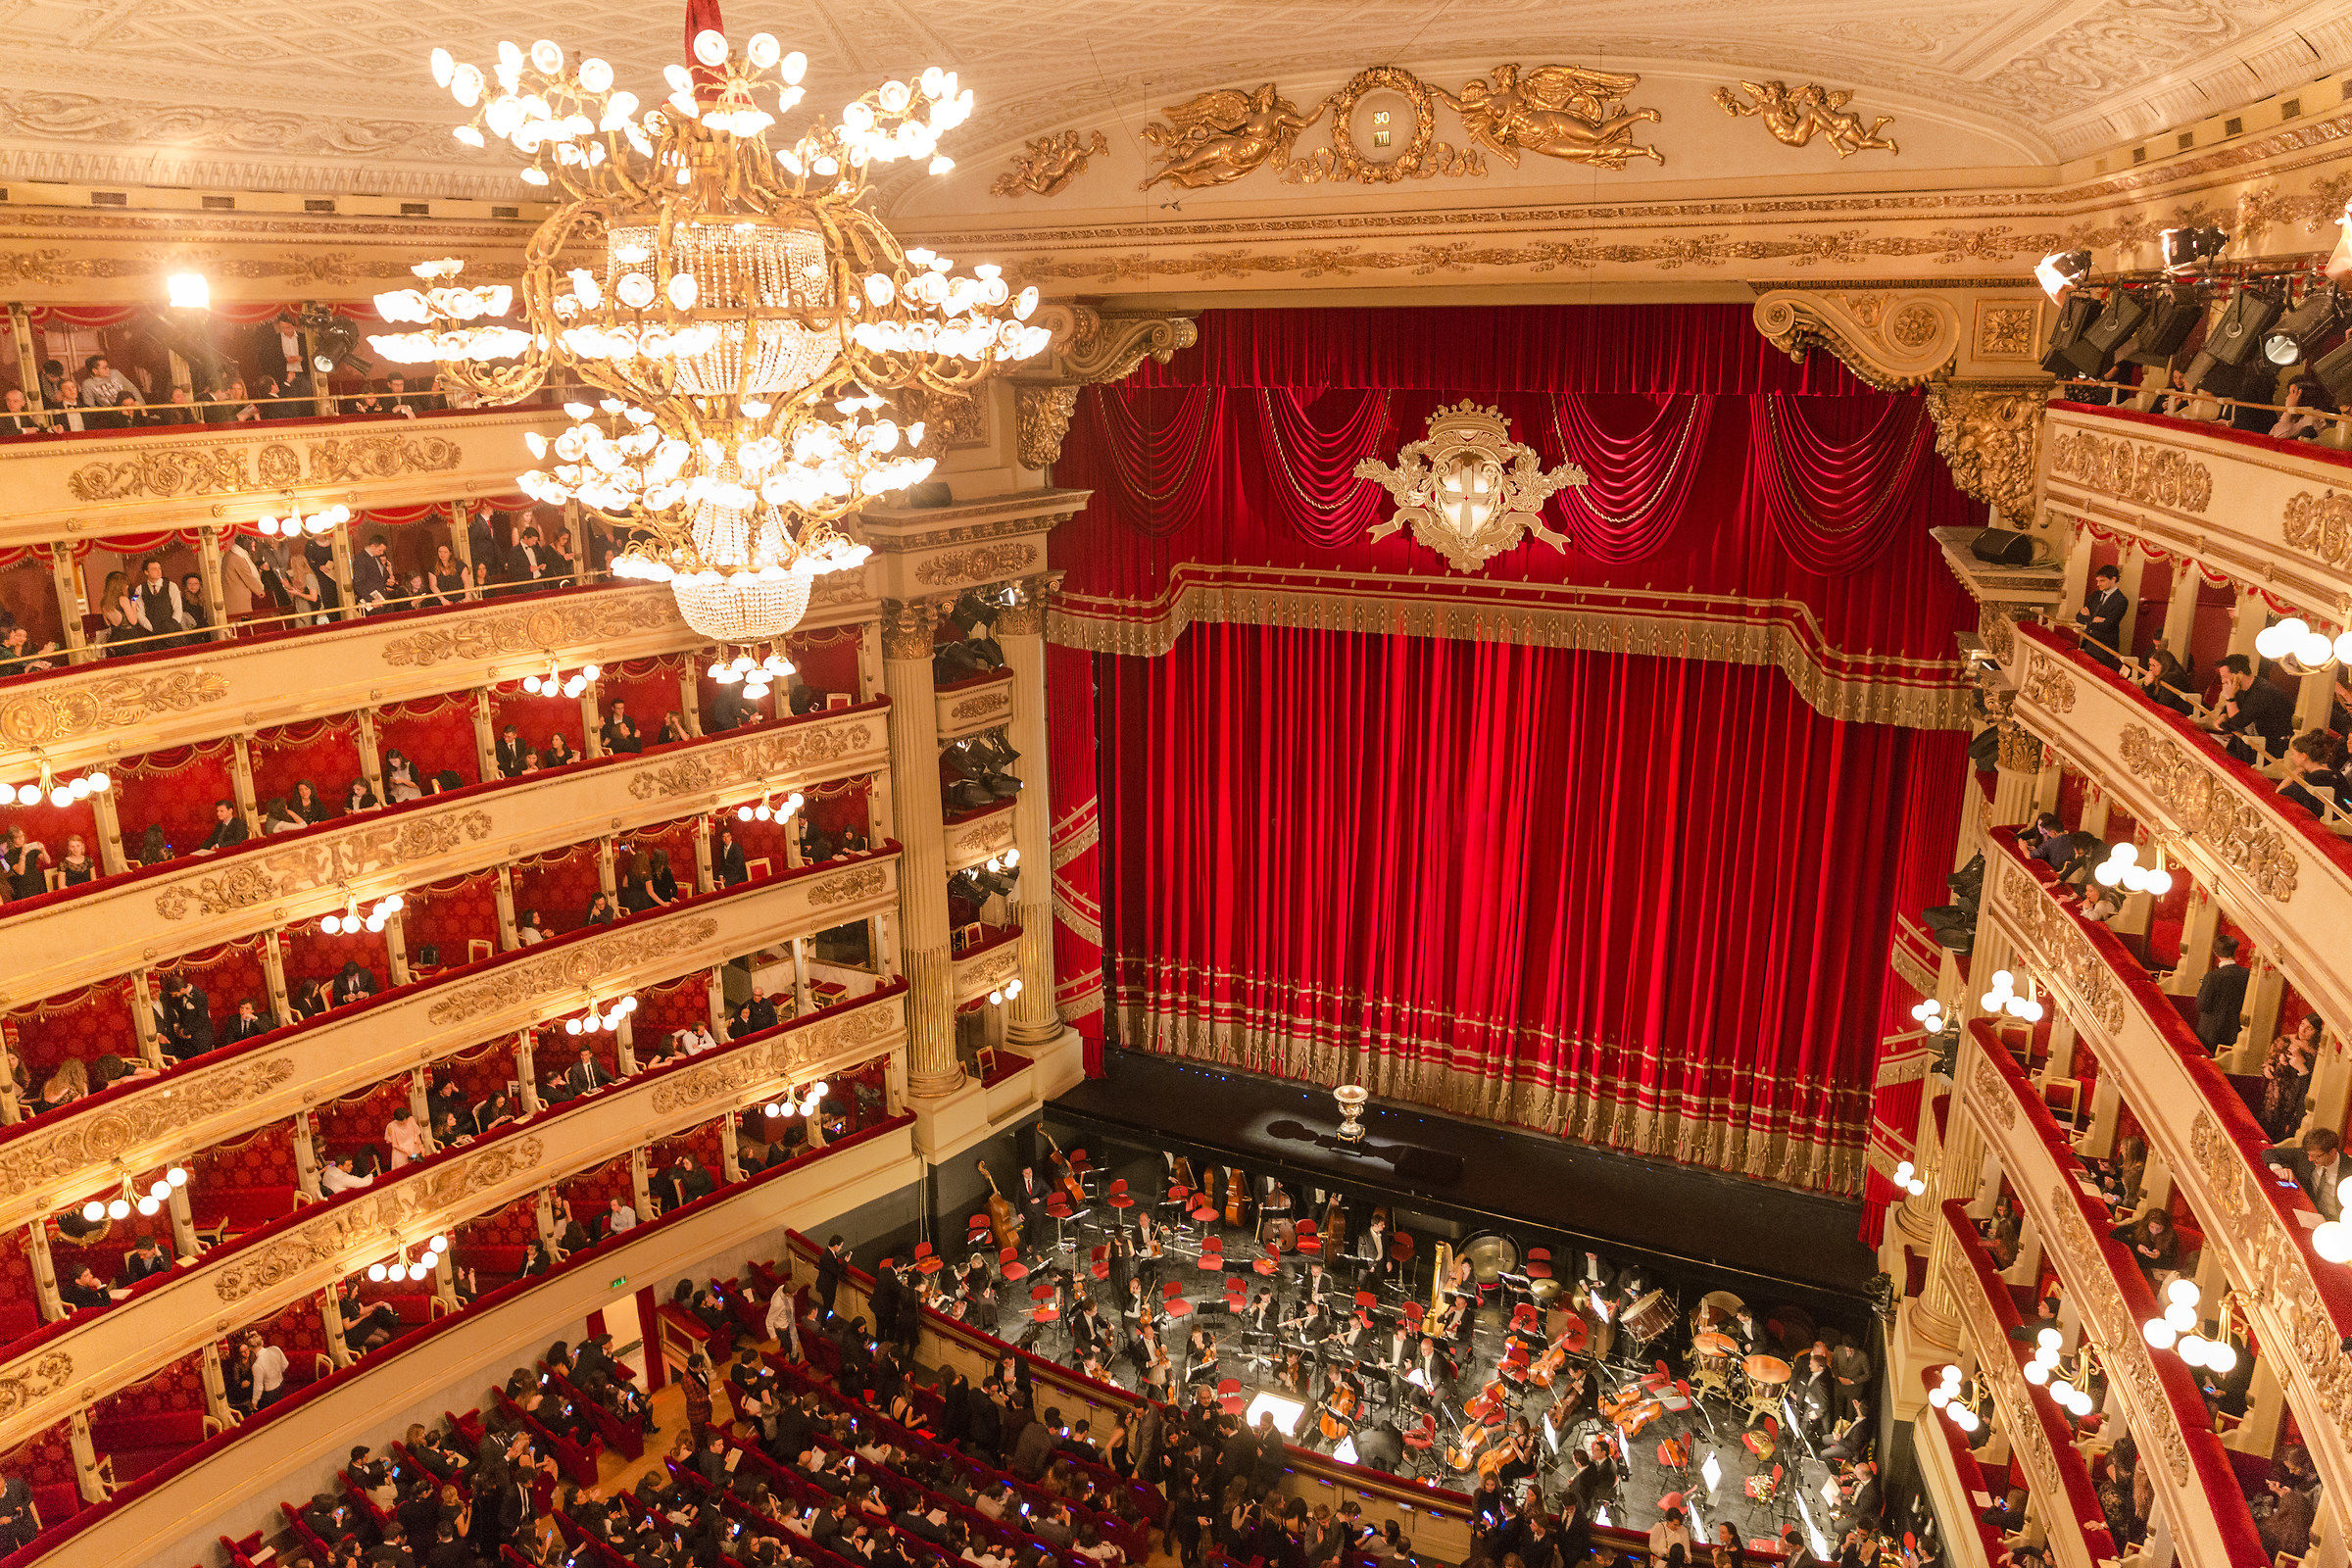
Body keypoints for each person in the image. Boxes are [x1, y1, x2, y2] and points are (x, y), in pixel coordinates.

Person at [2201, 653, 2294, 765]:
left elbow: (2239, 721)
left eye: (2225, 676)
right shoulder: (2242, 688)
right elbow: (2229, 711)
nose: (2222, 681)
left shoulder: (2262, 692)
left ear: (2239, 674)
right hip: (2250, 742)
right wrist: (2224, 715)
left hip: (2269, 749)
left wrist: (2230, 697)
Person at [2265, 1127, 2347, 1221]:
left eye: (2317, 1157)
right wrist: (2278, 1169)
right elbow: (2269, 1153)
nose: (2310, 1159)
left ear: (2333, 1152)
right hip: (2308, 1212)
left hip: (2338, 1221)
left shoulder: (2348, 1171)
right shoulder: (2306, 1155)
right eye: (2309, 1155)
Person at [2193, 935, 2249, 1054]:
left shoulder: (2212, 977)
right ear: (2234, 951)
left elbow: (2201, 1005)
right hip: (2235, 1030)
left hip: (2210, 1032)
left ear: (2215, 952)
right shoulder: (2247, 974)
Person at [2109, 1206, 2180, 1286]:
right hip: (2133, 1265)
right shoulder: (2139, 1226)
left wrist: (2159, 1256)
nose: (2154, 1231)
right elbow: (2114, 1233)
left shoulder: (2171, 1236)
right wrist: (2136, 1246)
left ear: (2165, 1227)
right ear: (2147, 1224)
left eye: (2159, 1229)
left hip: (2151, 1271)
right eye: (2151, 1227)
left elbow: (2171, 1262)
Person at [2076, 564, 2127, 668]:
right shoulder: (2096, 595)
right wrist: (2094, 619)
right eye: (2097, 581)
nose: (2098, 584)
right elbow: (2078, 617)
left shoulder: (2121, 601)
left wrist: (2088, 619)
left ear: (2113, 579)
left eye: (2102, 581)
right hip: (2087, 642)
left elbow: (2107, 626)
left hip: (2104, 647)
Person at [250, 1328, 290, 1407]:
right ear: (262, 1342)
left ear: (250, 1348)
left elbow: (259, 1387)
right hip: (282, 1384)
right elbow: (285, 1365)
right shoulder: (275, 1349)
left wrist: (254, 1401)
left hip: (270, 1393)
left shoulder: (256, 1365)